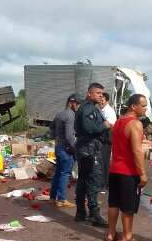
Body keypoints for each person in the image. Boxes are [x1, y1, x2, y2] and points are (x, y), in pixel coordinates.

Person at [107, 94, 148, 241]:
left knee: (114, 203)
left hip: (114, 169)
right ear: (133, 106)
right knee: (128, 206)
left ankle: (111, 234)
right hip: (128, 171)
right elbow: (137, 150)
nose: (145, 108)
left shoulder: (118, 122)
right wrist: (142, 173)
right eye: (143, 105)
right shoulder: (135, 124)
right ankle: (127, 237)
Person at [74, 83, 112, 226]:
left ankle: (81, 212)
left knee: (83, 180)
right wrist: (104, 126)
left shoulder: (89, 107)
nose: (101, 95)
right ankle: (94, 214)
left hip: (88, 147)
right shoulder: (88, 108)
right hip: (89, 148)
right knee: (93, 180)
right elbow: (89, 128)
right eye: (97, 93)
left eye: (102, 93)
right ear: (89, 93)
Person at [49, 94, 79, 207]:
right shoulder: (70, 115)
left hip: (58, 146)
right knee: (65, 173)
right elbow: (69, 136)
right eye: (77, 104)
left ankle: (53, 197)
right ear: (71, 103)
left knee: (58, 173)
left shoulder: (59, 114)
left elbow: (51, 128)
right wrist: (74, 149)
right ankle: (62, 199)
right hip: (66, 149)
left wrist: (56, 137)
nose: (78, 106)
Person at [100, 92, 117, 189]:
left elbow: (110, 124)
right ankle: (103, 182)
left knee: (104, 161)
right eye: (100, 100)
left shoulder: (109, 111)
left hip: (107, 138)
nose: (101, 102)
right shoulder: (102, 110)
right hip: (104, 138)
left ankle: (104, 183)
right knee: (103, 161)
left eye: (102, 100)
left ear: (107, 101)